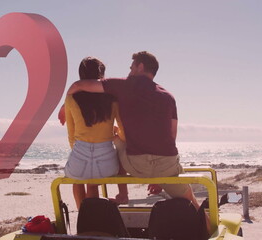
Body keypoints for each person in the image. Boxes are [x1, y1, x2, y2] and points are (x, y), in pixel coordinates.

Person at [67, 51, 202, 211]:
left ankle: (105, 204)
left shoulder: (122, 85)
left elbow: (77, 88)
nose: (129, 72)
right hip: (166, 164)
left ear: (140, 67)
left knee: (111, 151)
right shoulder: (168, 97)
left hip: (126, 164)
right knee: (192, 201)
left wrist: (65, 104)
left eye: (131, 68)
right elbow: (171, 136)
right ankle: (206, 225)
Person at [64, 57, 128, 209]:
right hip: (105, 162)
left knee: (77, 179)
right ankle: (92, 216)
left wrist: (81, 151)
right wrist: (116, 134)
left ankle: (83, 217)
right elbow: (123, 129)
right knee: (93, 184)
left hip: (79, 157)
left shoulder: (71, 98)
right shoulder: (113, 99)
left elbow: (71, 134)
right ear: (101, 75)